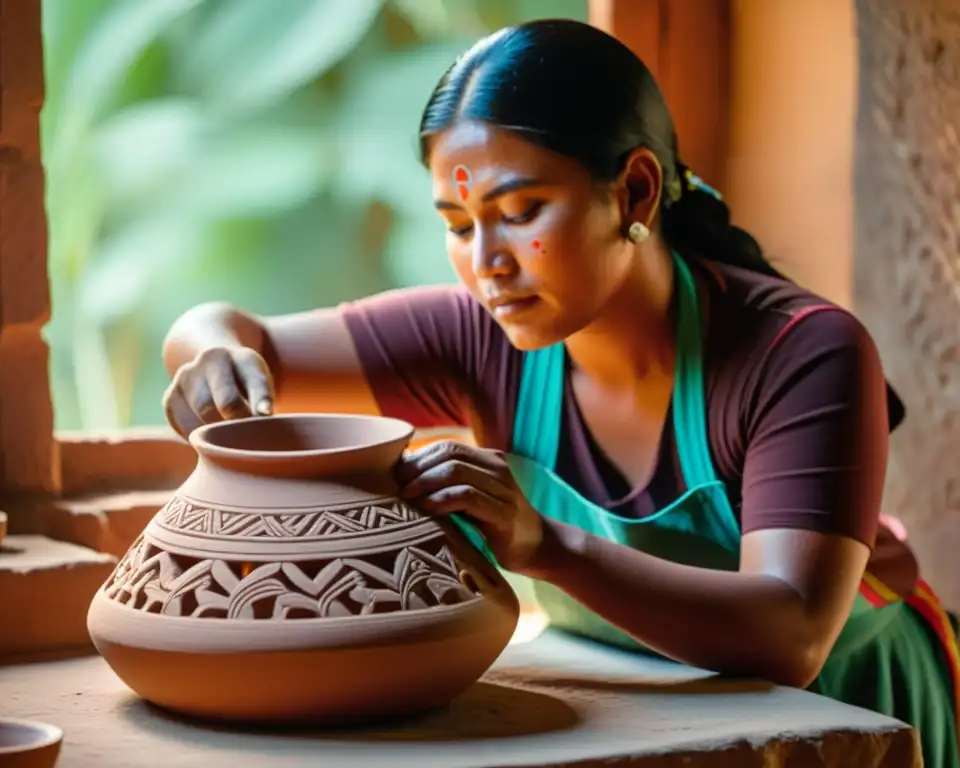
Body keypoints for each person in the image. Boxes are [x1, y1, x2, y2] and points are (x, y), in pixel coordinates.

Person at [161, 19, 958, 765]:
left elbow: (792, 635)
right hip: (654, 703)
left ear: (637, 193)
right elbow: (224, 327)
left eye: (521, 211)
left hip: (850, 713)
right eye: (459, 222)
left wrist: (546, 545)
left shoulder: (800, 354)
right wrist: (214, 354)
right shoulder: (481, 333)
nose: (487, 262)